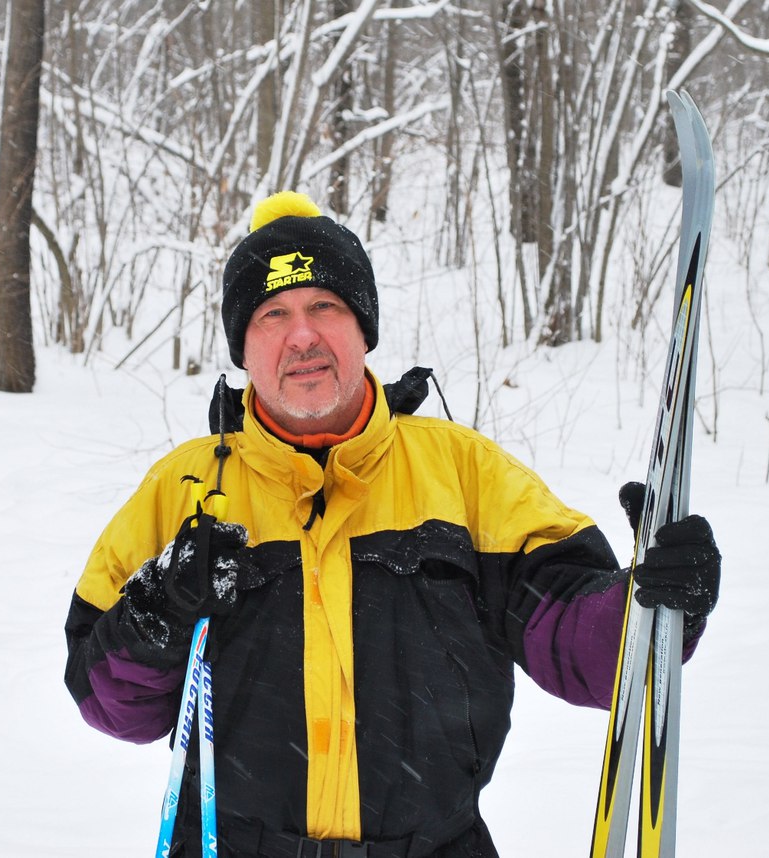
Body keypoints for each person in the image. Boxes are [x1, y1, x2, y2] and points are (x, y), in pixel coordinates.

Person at [64, 192, 721, 858]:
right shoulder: (184, 490)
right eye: (273, 314)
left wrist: (651, 600)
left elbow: (590, 652)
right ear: (244, 348)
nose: (302, 336)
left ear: (363, 329)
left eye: (325, 306)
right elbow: (109, 705)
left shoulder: (464, 473)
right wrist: (155, 616)